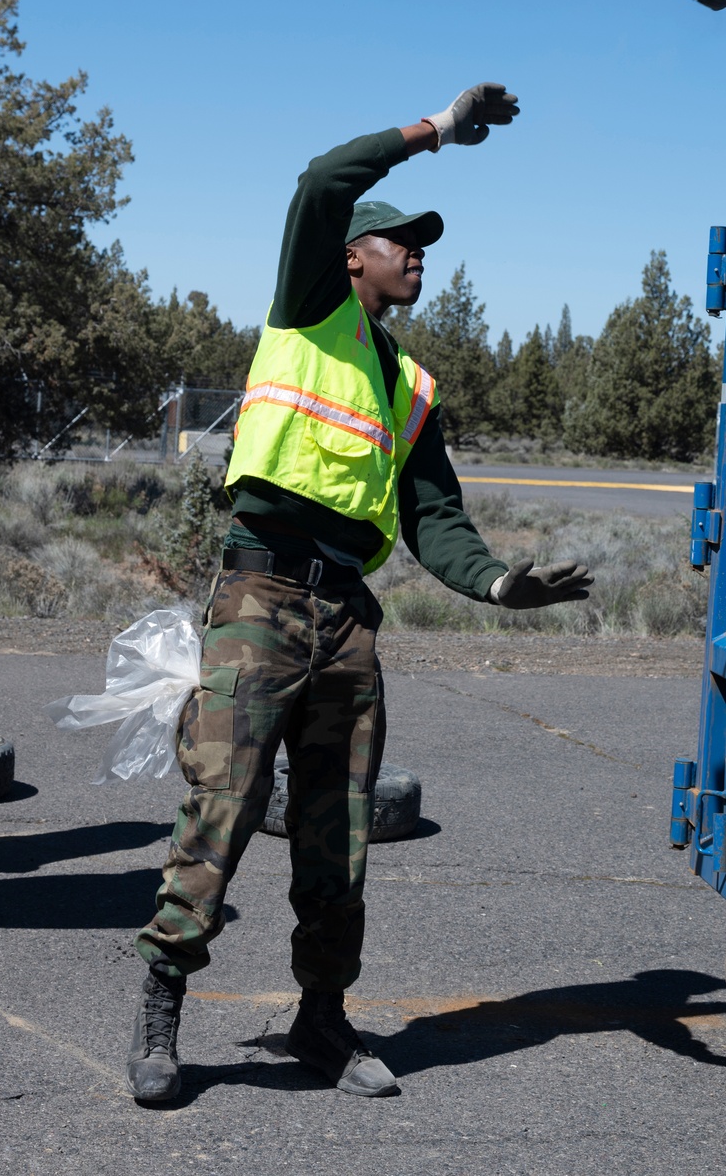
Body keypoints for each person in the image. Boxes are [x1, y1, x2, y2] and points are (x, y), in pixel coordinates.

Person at [127, 83, 593, 1102]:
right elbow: (322, 180)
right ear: (352, 255)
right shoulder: (308, 305)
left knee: (337, 830)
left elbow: (438, 519)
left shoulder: (411, 386)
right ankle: (162, 998)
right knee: (227, 801)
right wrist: (437, 130)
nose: (416, 251)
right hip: (260, 594)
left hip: (347, 619)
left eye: (424, 243)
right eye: (398, 240)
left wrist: (505, 583)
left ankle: (321, 1018)